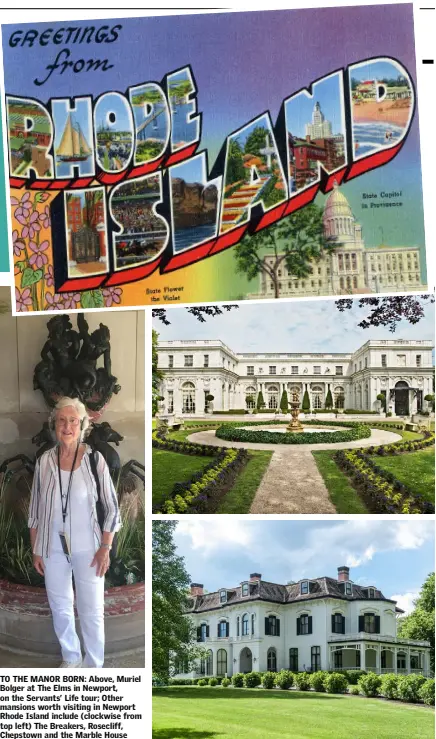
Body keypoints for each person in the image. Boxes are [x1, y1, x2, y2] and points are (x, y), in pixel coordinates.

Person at [28, 397, 121, 668]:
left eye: (73, 421)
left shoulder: (95, 460)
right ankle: (71, 658)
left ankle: (93, 665)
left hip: (89, 547)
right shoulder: (45, 461)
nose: (67, 426)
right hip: (52, 546)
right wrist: (36, 548)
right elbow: (34, 508)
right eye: (61, 420)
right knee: (60, 605)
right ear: (54, 425)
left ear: (82, 426)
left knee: (92, 611)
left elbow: (112, 508)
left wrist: (106, 547)